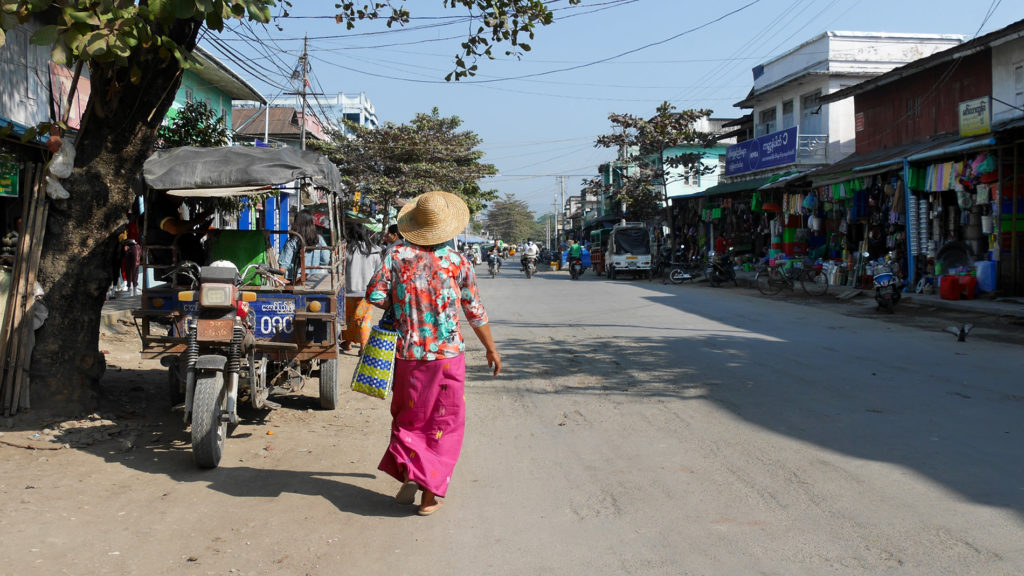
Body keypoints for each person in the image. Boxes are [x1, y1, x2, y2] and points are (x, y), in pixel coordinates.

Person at [366, 190, 501, 517]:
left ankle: (413, 473)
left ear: (414, 224)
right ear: (447, 226)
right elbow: (474, 310)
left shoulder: (396, 255)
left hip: (409, 355)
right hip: (447, 358)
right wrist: (491, 349)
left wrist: (401, 303)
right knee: (444, 423)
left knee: (410, 419)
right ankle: (428, 496)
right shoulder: (458, 261)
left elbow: (374, 294)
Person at [340, 221, 381, 352]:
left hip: (349, 291)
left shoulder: (346, 249)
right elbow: (378, 271)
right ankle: (363, 346)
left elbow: (340, 269)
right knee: (364, 320)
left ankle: (348, 342)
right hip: (367, 292)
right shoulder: (374, 251)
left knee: (349, 319)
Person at [279, 209, 331, 282]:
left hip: (296, 281)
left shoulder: (293, 240)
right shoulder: (319, 239)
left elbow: (284, 264)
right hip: (315, 280)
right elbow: (325, 260)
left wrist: (281, 280)